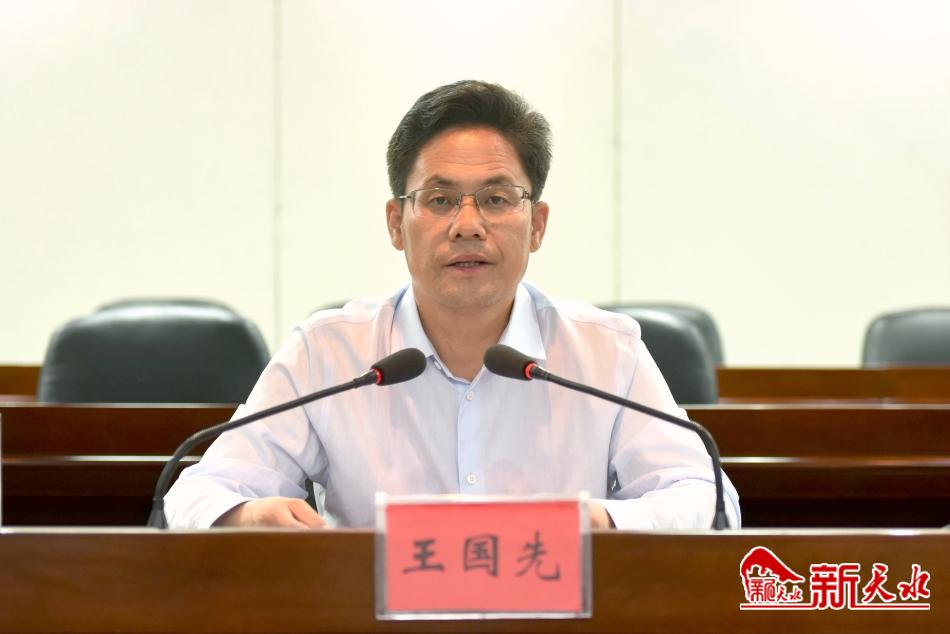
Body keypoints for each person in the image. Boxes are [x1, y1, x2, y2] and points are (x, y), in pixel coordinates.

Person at [165, 80, 740, 530]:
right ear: (397, 223)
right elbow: (200, 489)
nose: (468, 225)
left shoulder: (606, 353)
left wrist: (603, 522)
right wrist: (246, 516)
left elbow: (707, 497)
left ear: (537, 225)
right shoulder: (328, 352)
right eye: (440, 200)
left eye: (496, 199)